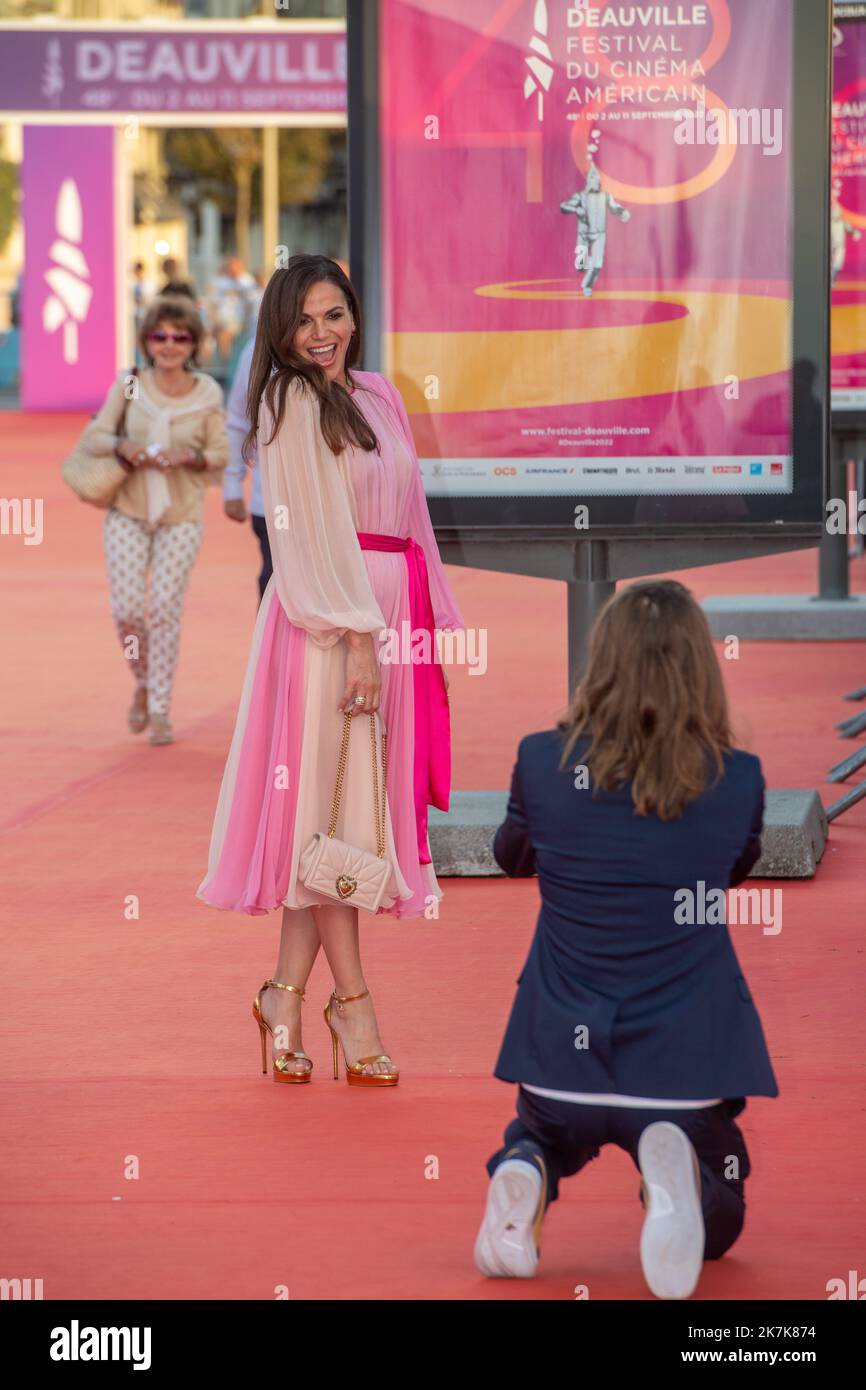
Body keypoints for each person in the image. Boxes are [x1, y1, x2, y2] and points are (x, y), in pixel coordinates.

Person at [197, 254, 465, 1088]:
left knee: (338, 817)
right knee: (338, 818)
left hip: (386, 619)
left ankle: (283, 996)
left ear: (354, 315)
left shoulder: (381, 393)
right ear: (282, 330)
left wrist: (428, 629)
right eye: (305, 320)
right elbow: (303, 542)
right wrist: (357, 639)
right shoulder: (284, 404)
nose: (322, 334)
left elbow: (412, 516)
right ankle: (352, 1007)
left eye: (335, 315)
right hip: (325, 626)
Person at [475, 580, 778, 1300]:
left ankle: (525, 1171)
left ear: (598, 661)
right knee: (723, 1216)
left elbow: (509, 856)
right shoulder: (737, 779)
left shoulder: (542, 760)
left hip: (559, 1065)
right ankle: (675, 1185)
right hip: (684, 1066)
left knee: (538, 1135)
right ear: (700, 669)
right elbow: (735, 867)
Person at [82, 296, 228, 745]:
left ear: (193, 343)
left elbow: (222, 453)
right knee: (126, 611)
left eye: (180, 336)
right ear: (146, 341)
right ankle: (143, 681)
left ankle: (161, 708)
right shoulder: (130, 385)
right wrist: (125, 447)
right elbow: (96, 435)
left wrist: (186, 455)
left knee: (164, 610)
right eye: (159, 335)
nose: (169, 345)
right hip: (127, 510)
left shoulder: (207, 392)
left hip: (180, 515)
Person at [223, 335, 272, 601]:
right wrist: (232, 484)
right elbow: (239, 419)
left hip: (332, 510)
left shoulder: (331, 347)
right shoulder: (257, 350)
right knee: (275, 591)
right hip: (272, 506)